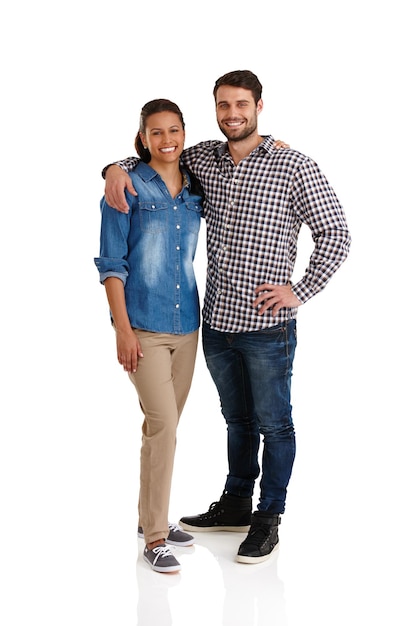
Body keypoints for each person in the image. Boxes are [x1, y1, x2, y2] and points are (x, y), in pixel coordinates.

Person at [102, 70, 351, 565]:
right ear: (214, 111)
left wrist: (298, 291)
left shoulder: (294, 165)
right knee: (235, 420)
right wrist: (113, 166)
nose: (232, 114)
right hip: (214, 323)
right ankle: (236, 502)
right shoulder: (203, 161)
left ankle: (266, 518)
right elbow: (156, 154)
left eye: (241, 104)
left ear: (259, 105)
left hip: (266, 328)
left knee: (274, 425)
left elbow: (337, 235)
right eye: (223, 105)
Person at [94, 99, 204, 574]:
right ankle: (156, 536)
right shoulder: (126, 187)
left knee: (163, 427)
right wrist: (122, 329)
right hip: (143, 326)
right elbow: (111, 264)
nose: (166, 141)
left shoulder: (198, 183)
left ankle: (149, 517)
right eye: (155, 133)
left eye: (174, 131)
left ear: (184, 133)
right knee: (163, 426)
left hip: (188, 325)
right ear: (142, 138)